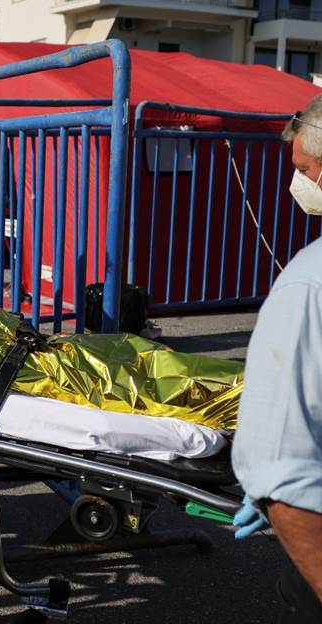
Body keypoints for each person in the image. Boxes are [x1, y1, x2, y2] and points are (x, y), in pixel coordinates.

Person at [232, 96, 322, 623]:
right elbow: (283, 474)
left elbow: (280, 468)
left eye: (306, 171)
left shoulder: (310, 284)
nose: (300, 186)